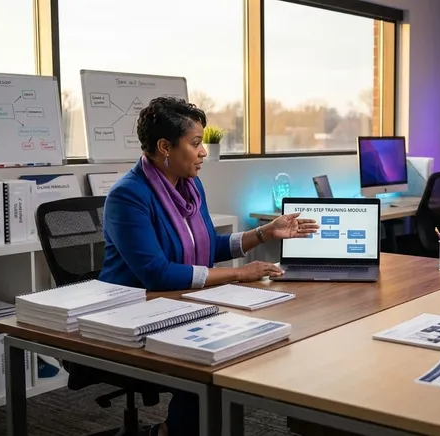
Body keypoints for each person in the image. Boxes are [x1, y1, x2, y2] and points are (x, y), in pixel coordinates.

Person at [98, 97, 319, 436]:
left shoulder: (190, 186)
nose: (203, 153)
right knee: (211, 360)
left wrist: (264, 232)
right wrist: (240, 273)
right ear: (164, 147)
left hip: (184, 302)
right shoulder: (129, 196)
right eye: (196, 143)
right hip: (136, 312)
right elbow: (158, 273)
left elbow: (207, 247)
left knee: (255, 340)